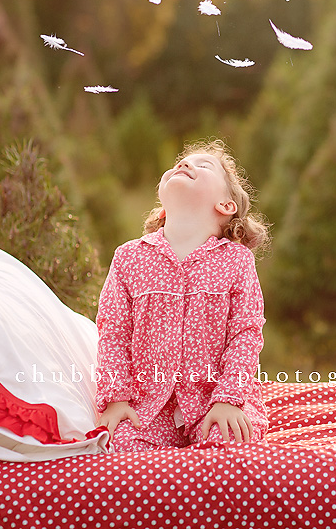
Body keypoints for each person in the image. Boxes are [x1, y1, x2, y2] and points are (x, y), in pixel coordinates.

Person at [95, 139, 270, 452]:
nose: (185, 164)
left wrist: (229, 399)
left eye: (203, 166)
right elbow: (113, 332)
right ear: (162, 206)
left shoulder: (236, 260)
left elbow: (246, 333)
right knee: (120, 448)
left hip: (215, 399)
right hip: (150, 407)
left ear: (226, 206)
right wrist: (117, 398)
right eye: (180, 164)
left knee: (227, 447)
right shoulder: (129, 258)